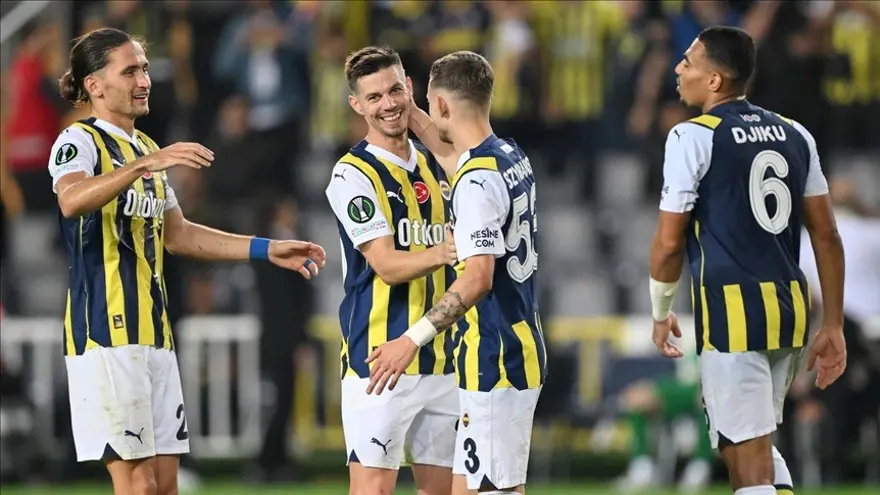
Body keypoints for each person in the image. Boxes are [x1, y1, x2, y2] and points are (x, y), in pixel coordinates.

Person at [50, 27, 326, 495]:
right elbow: (71, 199)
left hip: (156, 335)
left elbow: (178, 235)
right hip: (106, 335)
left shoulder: (144, 148)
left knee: (165, 484)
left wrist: (265, 248)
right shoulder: (79, 141)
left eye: (144, 69)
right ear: (94, 84)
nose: (144, 80)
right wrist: (143, 166)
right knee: (137, 485)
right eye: (130, 71)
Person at [647, 26, 846, 495]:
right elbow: (826, 233)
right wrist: (833, 324)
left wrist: (660, 310)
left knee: (748, 463)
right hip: (789, 310)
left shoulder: (691, 136)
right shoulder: (795, 133)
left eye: (688, 62)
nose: (678, 69)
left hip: (732, 312)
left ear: (715, 80)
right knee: (756, 449)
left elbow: (669, 242)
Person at [366, 51, 547, 495]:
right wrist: (409, 106)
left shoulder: (476, 180)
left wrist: (410, 340)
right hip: (514, 341)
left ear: (443, 105)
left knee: (495, 491)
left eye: (430, 104)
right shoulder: (508, 155)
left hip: (496, 354)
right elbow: (451, 153)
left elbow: (478, 278)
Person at [324, 45, 459, 495]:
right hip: (379, 360)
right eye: (374, 97)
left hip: (441, 358)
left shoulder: (437, 162)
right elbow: (385, 265)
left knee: (441, 491)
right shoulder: (352, 174)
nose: (388, 104)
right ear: (356, 105)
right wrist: (445, 252)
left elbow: (463, 150)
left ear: (410, 89)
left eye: (395, 90)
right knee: (373, 490)